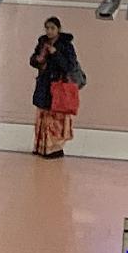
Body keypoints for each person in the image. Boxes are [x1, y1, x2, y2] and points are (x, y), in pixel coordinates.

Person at [30, 17, 80, 158]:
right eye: (47, 28)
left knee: (55, 118)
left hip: (58, 86)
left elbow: (69, 66)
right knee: (42, 116)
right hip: (44, 84)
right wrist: (37, 59)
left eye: (52, 28)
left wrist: (55, 53)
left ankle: (54, 148)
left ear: (58, 29)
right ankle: (41, 147)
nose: (49, 31)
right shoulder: (42, 42)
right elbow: (33, 59)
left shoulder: (66, 45)